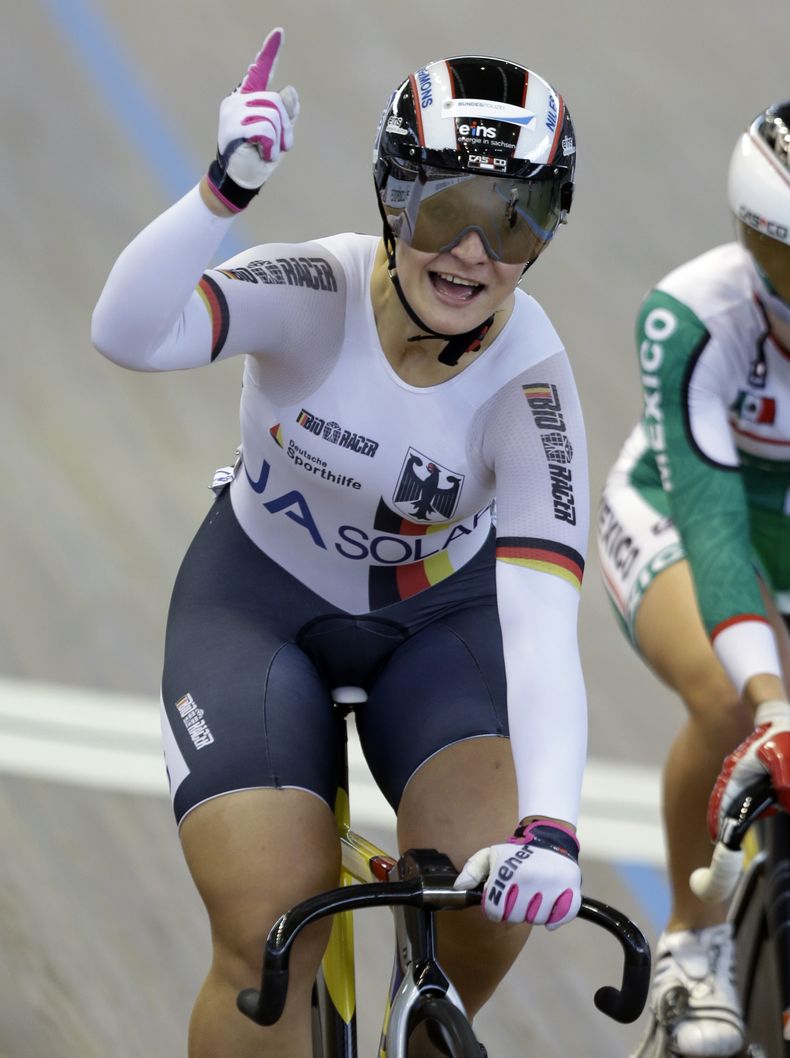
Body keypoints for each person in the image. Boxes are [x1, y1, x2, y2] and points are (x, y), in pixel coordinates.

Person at [92, 28, 588, 1058]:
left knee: (486, 897)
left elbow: (541, 627)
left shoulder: (533, 387)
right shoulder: (312, 291)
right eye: (446, 208)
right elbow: (126, 333)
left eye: (515, 221)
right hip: (258, 602)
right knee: (267, 938)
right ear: (391, 197)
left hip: (438, 624)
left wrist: (552, 827)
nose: (472, 253)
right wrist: (221, 194)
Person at [597, 100, 790, 1058]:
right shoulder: (696, 314)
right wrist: (770, 696)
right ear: (755, 244)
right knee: (727, 698)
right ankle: (693, 944)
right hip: (676, 512)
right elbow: (715, 531)